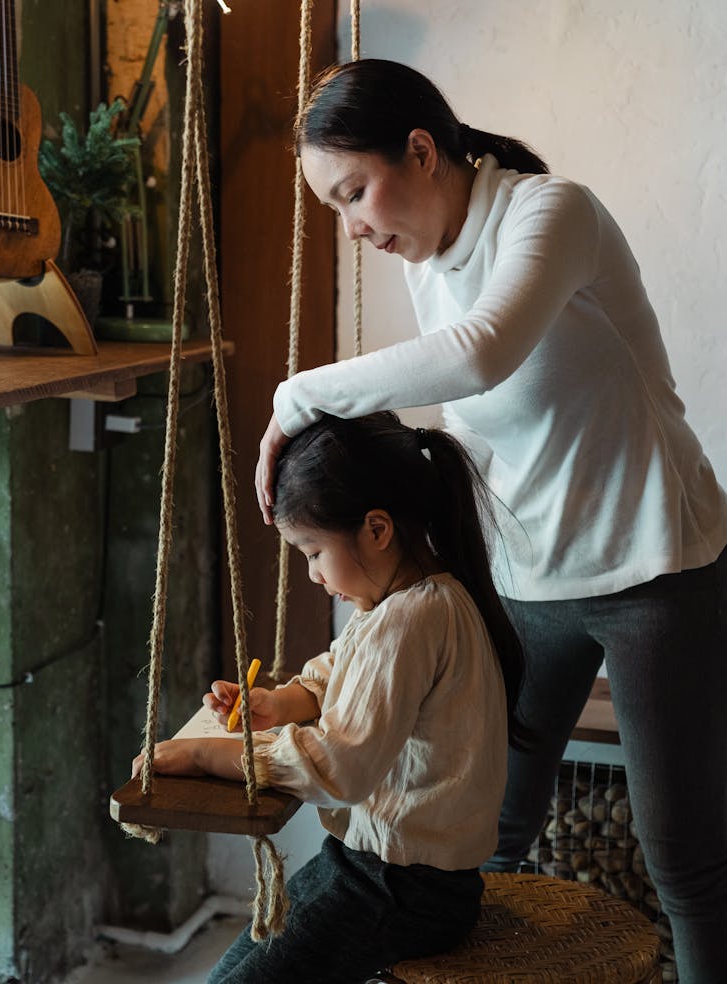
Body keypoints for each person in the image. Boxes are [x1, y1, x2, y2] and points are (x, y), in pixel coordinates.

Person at [253, 59, 727, 984]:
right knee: (487, 832)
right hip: (527, 577)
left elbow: (480, 358)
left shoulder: (553, 213)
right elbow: (463, 424)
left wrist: (293, 394)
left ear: (422, 150)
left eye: (355, 193)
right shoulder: (431, 262)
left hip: (656, 567)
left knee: (686, 860)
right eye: (335, 209)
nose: (354, 228)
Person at [132, 410, 528, 984]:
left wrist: (203, 755)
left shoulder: (410, 621)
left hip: (401, 888)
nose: (314, 574)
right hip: (383, 873)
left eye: (313, 552)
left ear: (376, 529)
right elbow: (339, 668)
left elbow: (340, 767)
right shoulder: (418, 599)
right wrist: (281, 703)